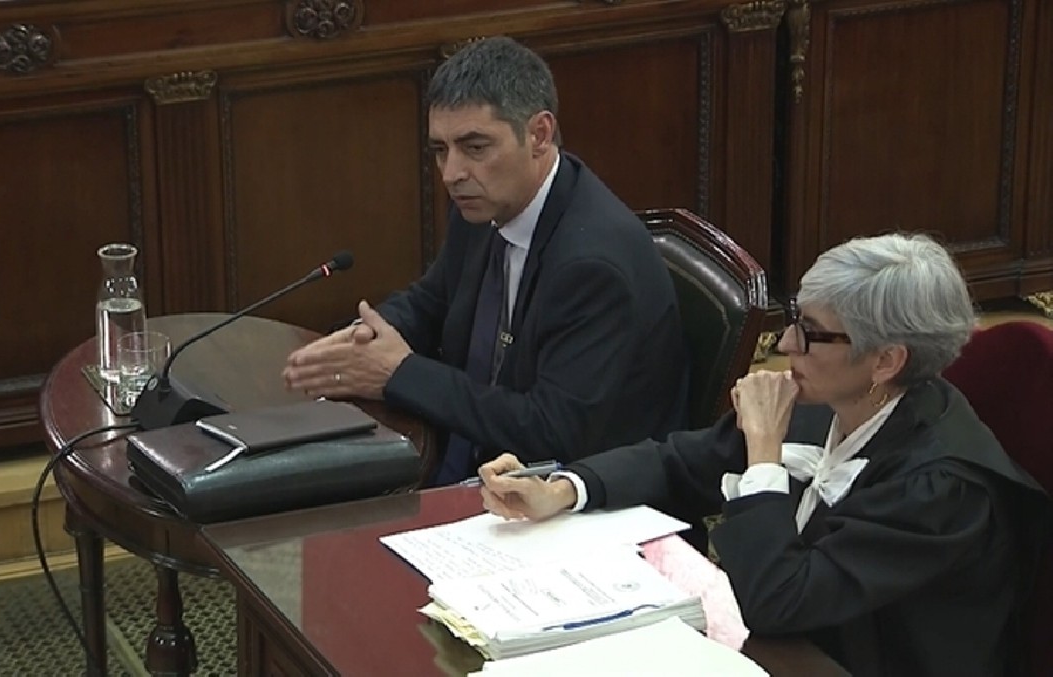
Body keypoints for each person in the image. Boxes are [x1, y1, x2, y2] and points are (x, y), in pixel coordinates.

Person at [477, 232, 1051, 675]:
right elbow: (680, 461)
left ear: (886, 361)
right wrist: (563, 489)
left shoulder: (942, 491)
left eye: (814, 333)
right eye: (796, 317)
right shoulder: (829, 398)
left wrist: (764, 457)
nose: (787, 343)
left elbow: (778, 600)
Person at [282, 36, 688, 485]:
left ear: (539, 135)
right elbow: (432, 301)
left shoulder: (592, 266)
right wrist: (365, 339)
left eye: (475, 148)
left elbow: (551, 431)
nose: (452, 173)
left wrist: (399, 373)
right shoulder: (484, 205)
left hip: (569, 493)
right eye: (441, 149)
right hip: (479, 461)